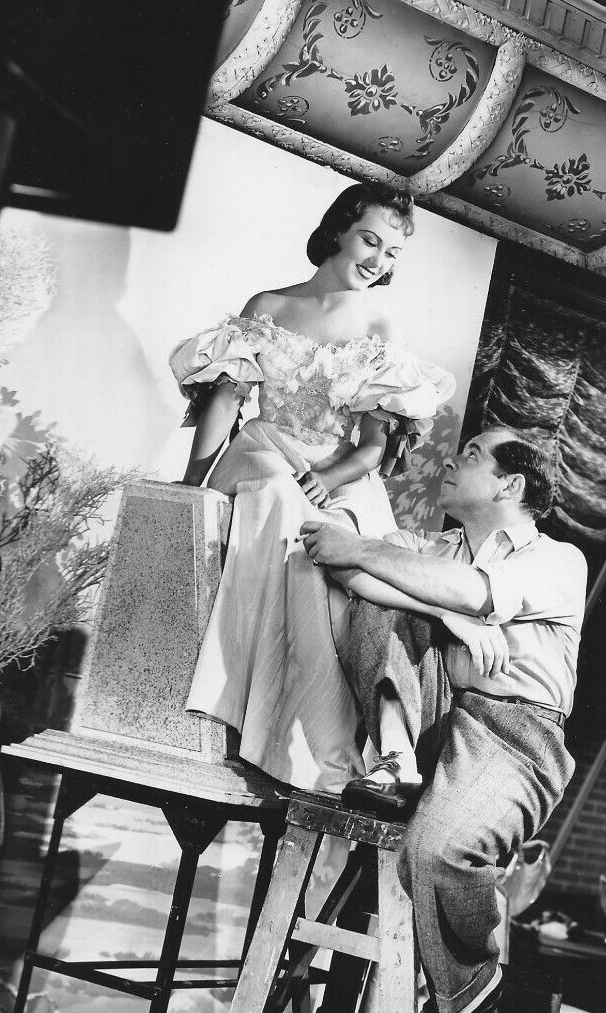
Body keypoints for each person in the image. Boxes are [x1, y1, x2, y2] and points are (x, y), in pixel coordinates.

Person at [300, 427, 587, 1013]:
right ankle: (396, 761)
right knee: (392, 589)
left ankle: (469, 981)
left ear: (510, 485)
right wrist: (443, 614)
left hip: (514, 736)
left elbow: (475, 593)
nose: (455, 459)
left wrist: (379, 559)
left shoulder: (558, 560)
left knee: (437, 849)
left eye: (473, 455)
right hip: (433, 718)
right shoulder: (431, 549)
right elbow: (345, 569)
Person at [170, 182, 455, 793]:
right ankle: (232, 701)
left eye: (392, 253)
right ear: (338, 232)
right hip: (264, 452)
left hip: (336, 474)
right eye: (370, 241)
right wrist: (193, 485)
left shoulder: (378, 322)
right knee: (278, 497)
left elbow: (372, 449)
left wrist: (326, 479)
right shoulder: (269, 305)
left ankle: (306, 741)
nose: (378, 260)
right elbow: (226, 401)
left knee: (323, 553)